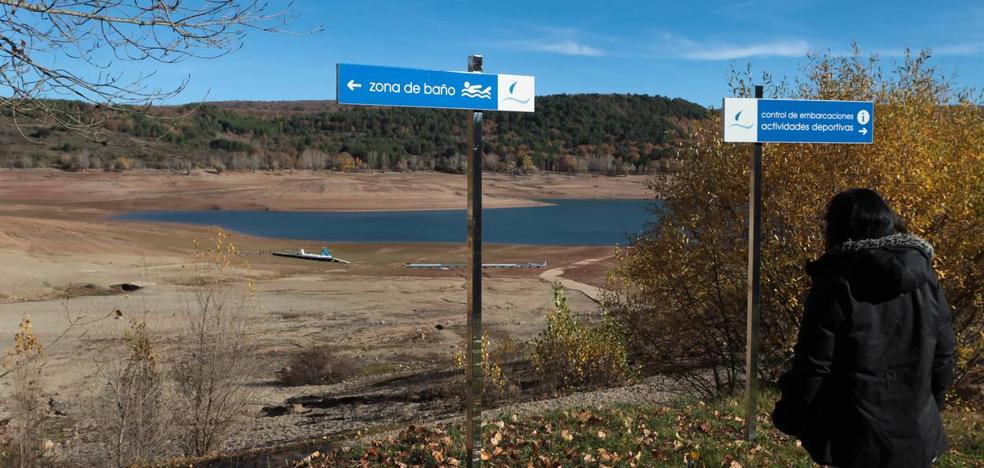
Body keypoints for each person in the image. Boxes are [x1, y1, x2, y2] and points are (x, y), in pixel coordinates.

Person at [772, 188, 956, 467]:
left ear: (836, 228)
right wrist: (932, 405)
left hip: (857, 436)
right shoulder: (924, 272)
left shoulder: (836, 280)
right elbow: (944, 352)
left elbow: (815, 363)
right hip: (917, 432)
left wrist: (791, 415)